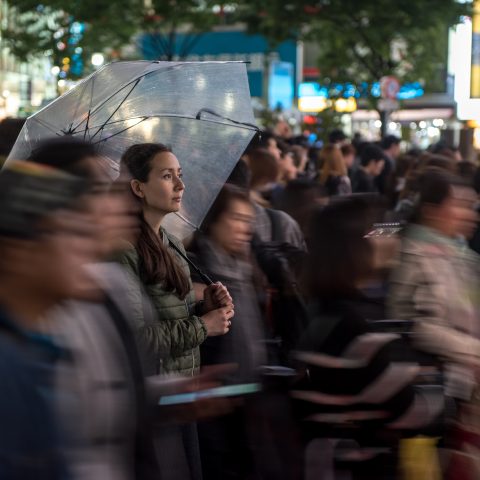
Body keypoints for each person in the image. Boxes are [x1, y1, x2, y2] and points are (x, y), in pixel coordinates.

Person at [118, 142, 234, 480]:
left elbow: (168, 311)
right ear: (137, 187)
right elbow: (134, 338)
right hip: (150, 404)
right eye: (167, 176)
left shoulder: (170, 242)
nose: (180, 186)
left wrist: (202, 307)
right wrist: (203, 326)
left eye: (180, 175)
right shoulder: (124, 250)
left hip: (180, 395)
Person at [0, 159, 98, 479]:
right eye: (73, 231)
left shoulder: (35, 349)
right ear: (18, 249)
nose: (91, 248)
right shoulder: (6, 365)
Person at [388, 168, 480, 479]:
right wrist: (472, 350)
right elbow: (411, 323)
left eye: (472, 204)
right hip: (431, 391)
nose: (470, 213)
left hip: (466, 389)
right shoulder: (411, 253)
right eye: (461, 204)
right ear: (431, 210)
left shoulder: (462, 254)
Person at [188, 185, 267, 480]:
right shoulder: (197, 270)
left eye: (249, 220)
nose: (245, 229)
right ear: (214, 218)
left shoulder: (244, 267)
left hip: (247, 398)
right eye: (236, 218)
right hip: (212, 400)